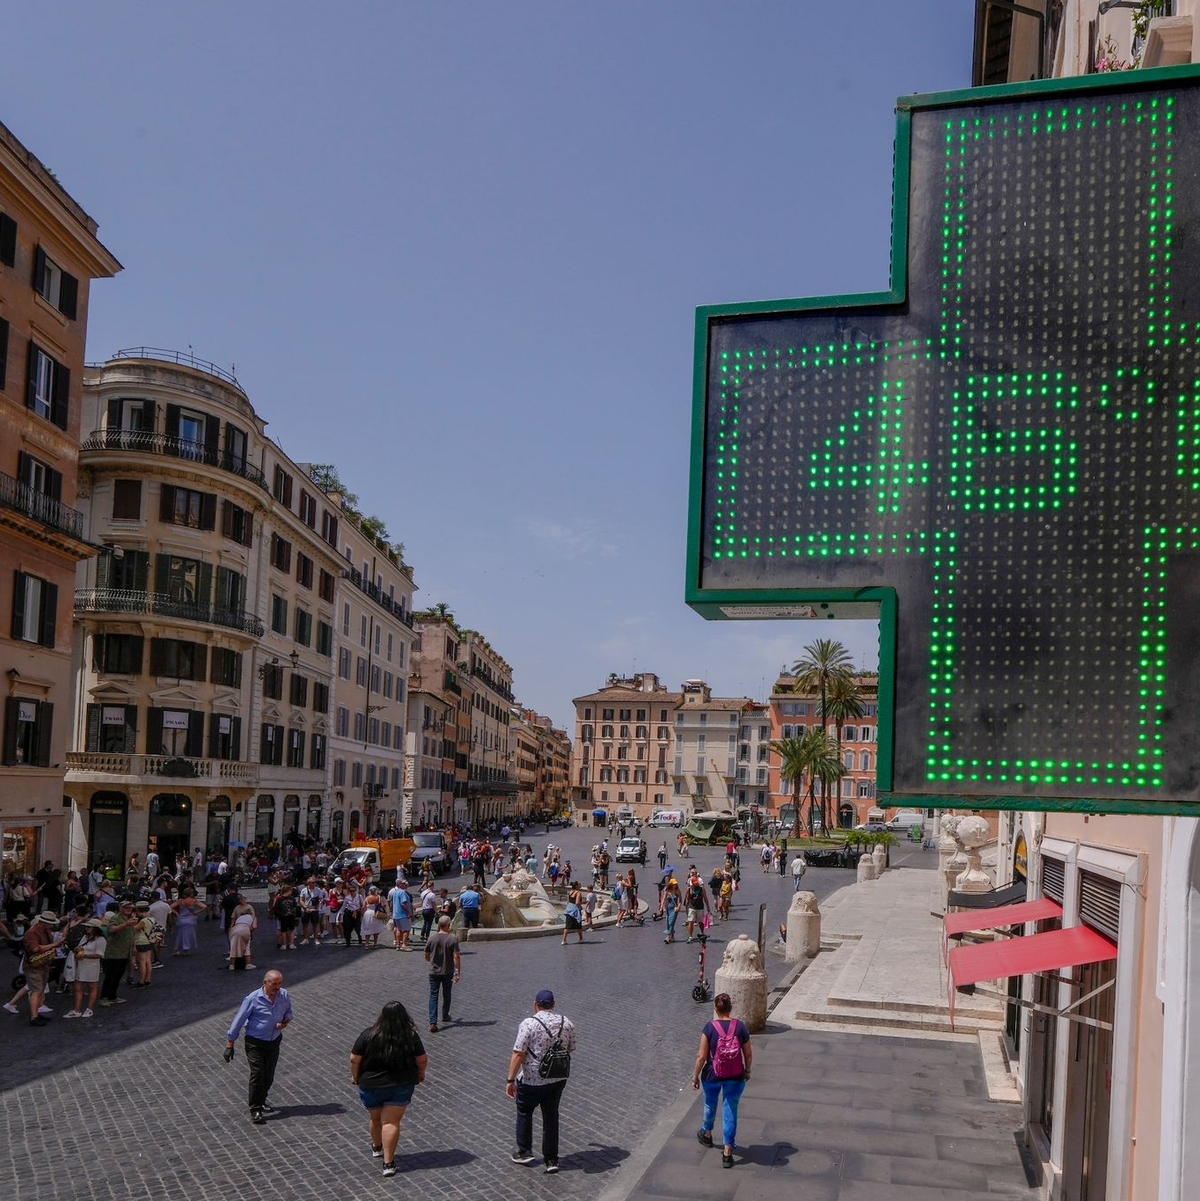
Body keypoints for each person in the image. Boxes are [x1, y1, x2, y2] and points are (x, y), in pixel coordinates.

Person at [349, 1000, 428, 1177]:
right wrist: (421, 1073)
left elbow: (354, 1059)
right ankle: (388, 1163)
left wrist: (355, 1076)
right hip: (400, 1085)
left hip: (371, 1085)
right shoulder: (410, 1036)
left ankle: (377, 1147)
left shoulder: (368, 1035)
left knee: (375, 1117)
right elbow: (422, 1059)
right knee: (390, 1123)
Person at [506, 989, 577, 1174]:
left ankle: (524, 1151)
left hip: (532, 1079)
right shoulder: (566, 1022)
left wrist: (510, 1080)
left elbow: (518, 1053)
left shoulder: (529, 1024)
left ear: (535, 1005)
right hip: (557, 1079)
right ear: (553, 1004)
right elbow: (571, 1048)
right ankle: (551, 1159)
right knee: (551, 1116)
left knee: (525, 1111)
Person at [692, 992, 752, 1168]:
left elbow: (701, 1056)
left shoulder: (709, 1028)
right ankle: (727, 1152)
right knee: (730, 1110)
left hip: (712, 1074)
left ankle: (707, 1133)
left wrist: (695, 1076)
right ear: (730, 1008)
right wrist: (747, 1071)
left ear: (715, 1009)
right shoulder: (740, 1027)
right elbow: (748, 1054)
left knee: (710, 1103)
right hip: (735, 1075)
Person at [225, 970, 294, 1124]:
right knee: (258, 1073)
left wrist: (285, 1022)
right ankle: (255, 1109)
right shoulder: (253, 998)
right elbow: (238, 1021)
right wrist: (230, 1043)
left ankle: (262, 1100)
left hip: (274, 1041)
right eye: (274, 984)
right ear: (265, 983)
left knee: (269, 1074)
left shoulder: (283, 995)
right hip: (255, 1042)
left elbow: (289, 1011)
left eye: (279, 983)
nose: (277, 987)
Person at [22, 912, 65, 1026]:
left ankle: (36, 1013)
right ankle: (34, 1017)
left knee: (39, 990)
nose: (51, 926)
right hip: (34, 966)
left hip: (43, 964)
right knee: (36, 990)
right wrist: (54, 944)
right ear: (43, 922)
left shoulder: (44, 931)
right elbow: (35, 949)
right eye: (50, 923)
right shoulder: (32, 932)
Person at [423, 914, 461, 1032]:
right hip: (447, 971)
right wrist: (457, 972)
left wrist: (432, 961)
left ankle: (433, 1022)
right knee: (447, 994)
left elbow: (426, 955)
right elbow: (456, 956)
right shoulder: (453, 938)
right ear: (448, 925)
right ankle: (445, 1015)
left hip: (433, 971)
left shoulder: (432, 938)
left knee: (433, 995)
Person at [99, 899, 139, 1005]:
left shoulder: (131, 919)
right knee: (110, 976)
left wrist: (134, 946)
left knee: (118, 975)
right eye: (126, 907)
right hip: (114, 952)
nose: (128, 909)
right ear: (120, 908)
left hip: (125, 952)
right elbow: (111, 929)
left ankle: (113, 996)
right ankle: (104, 997)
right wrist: (125, 924)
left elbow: (132, 934)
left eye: (130, 908)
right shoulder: (115, 918)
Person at [65, 918, 106, 1018]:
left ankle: (89, 1009)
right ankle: (77, 1010)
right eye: (87, 927)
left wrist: (84, 955)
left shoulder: (101, 939)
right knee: (78, 988)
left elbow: (99, 954)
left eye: (89, 927)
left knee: (92, 987)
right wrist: (77, 950)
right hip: (80, 965)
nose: (86, 928)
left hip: (92, 966)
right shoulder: (85, 937)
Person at [171, 887, 204, 955]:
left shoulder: (180, 901)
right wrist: (196, 912)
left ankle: (178, 949)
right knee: (188, 935)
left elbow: (170, 906)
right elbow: (204, 906)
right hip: (190, 919)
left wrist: (176, 913)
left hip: (181, 919)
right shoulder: (193, 901)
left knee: (180, 935)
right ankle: (186, 949)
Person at [684, 870, 711, 943]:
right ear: (692, 883)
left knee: (700, 922)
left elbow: (705, 897)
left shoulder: (702, 888)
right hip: (692, 906)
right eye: (695, 883)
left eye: (697, 883)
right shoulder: (689, 889)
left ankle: (701, 932)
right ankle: (690, 936)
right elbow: (687, 898)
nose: (696, 884)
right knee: (691, 921)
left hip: (700, 906)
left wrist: (708, 906)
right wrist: (686, 907)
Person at [662, 876, 682, 944]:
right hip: (668, 908)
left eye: (675, 884)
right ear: (671, 884)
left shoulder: (677, 891)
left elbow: (680, 900)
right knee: (668, 922)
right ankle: (672, 936)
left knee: (671, 922)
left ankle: (668, 937)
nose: (675, 885)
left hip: (674, 909)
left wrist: (679, 906)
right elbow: (664, 899)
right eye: (674, 884)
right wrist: (662, 907)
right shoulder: (667, 890)